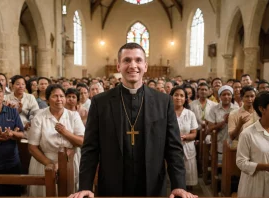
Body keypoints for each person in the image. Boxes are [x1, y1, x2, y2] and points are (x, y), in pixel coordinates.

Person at [69, 43, 197, 198]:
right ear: (118, 66)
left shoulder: (163, 102)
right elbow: (90, 149)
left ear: (145, 66)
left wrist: (179, 186)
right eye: (127, 60)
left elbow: (173, 148)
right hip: (112, 185)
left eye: (138, 60)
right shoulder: (100, 102)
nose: (133, 65)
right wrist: (85, 186)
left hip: (152, 185)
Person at [28, 84, 84, 196]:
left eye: (62, 96)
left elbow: (82, 142)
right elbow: (32, 147)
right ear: (48, 99)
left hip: (70, 162)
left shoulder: (73, 116)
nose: (59, 99)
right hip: (44, 162)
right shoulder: (40, 116)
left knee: (70, 192)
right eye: (55, 96)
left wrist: (65, 132)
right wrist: (51, 164)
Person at [170, 86, 198, 190]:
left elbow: (194, 133)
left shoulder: (190, 114)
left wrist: (185, 137)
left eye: (182, 95)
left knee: (188, 178)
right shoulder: (167, 112)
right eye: (176, 95)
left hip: (187, 147)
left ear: (185, 98)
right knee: (174, 179)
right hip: (171, 148)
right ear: (171, 97)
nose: (178, 98)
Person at [205, 85, 239, 161]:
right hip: (218, 142)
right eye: (224, 94)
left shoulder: (237, 109)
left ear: (232, 96)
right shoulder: (214, 109)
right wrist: (224, 122)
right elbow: (210, 129)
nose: (226, 97)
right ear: (220, 96)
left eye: (228, 94)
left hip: (234, 142)